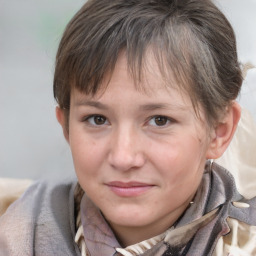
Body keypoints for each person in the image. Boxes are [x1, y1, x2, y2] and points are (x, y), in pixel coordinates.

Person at [0, 0, 255, 255]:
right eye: (97, 119)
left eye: (159, 120)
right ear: (66, 126)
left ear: (219, 131)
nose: (123, 157)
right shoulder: (15, 229)